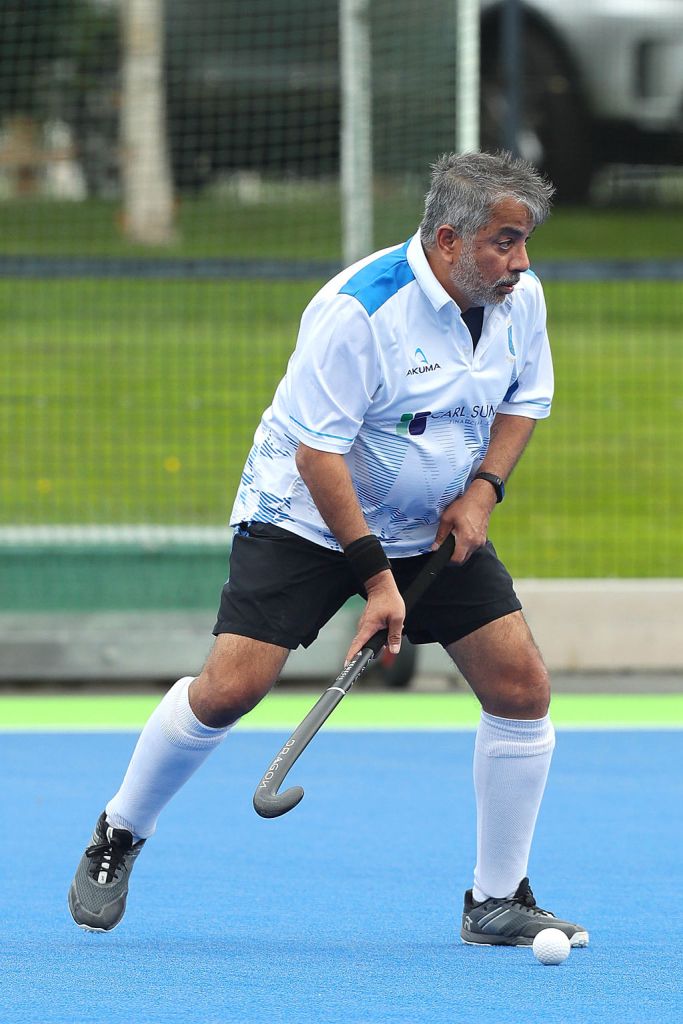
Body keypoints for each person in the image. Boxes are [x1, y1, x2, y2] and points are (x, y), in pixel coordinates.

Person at [68, 150, 588, 948]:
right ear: (448, 240)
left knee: (520, 687)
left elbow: (526, 399)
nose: (520, 262)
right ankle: (121, 830)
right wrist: (377, 582)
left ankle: (495, 899)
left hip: (430, 522)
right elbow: (319, 455)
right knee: (231, 688)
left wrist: (482, 490)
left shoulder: (519, 300)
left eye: (523, 243)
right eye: (504, 242)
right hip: (306, 517)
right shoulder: (359, 313)